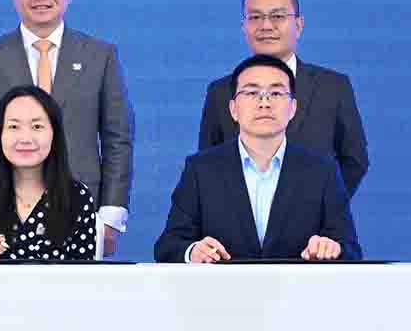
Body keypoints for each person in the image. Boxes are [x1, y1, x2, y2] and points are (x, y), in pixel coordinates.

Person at [0, 0, 135, 256]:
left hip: (82, 209)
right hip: (3, 212)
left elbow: (117, 139)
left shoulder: (100, 55)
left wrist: (111, 216)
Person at [155, 55, 362, 263]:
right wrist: (193, 251)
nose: (264, 102)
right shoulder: (201, 170)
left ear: (293, 108)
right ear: (233, 109)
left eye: (276, 93)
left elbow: (351, 250)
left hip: (296, 284)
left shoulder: (322, 171)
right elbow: (169, 245)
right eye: (252, 93)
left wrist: (333, 249)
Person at [196, 0, 369, 197]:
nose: (266, 26)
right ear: (244, 27)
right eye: (255, 17)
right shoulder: (220, 92)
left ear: (299, 25)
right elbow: (207, 167)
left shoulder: (333, 87)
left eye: (277, 16)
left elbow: (354, 160)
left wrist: (325, 206)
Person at [0, 86, 99, 263]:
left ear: (54, 134)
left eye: (37, 126)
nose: (25, 138)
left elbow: (84, 271)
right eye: (14, 126)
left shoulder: (77, 196)